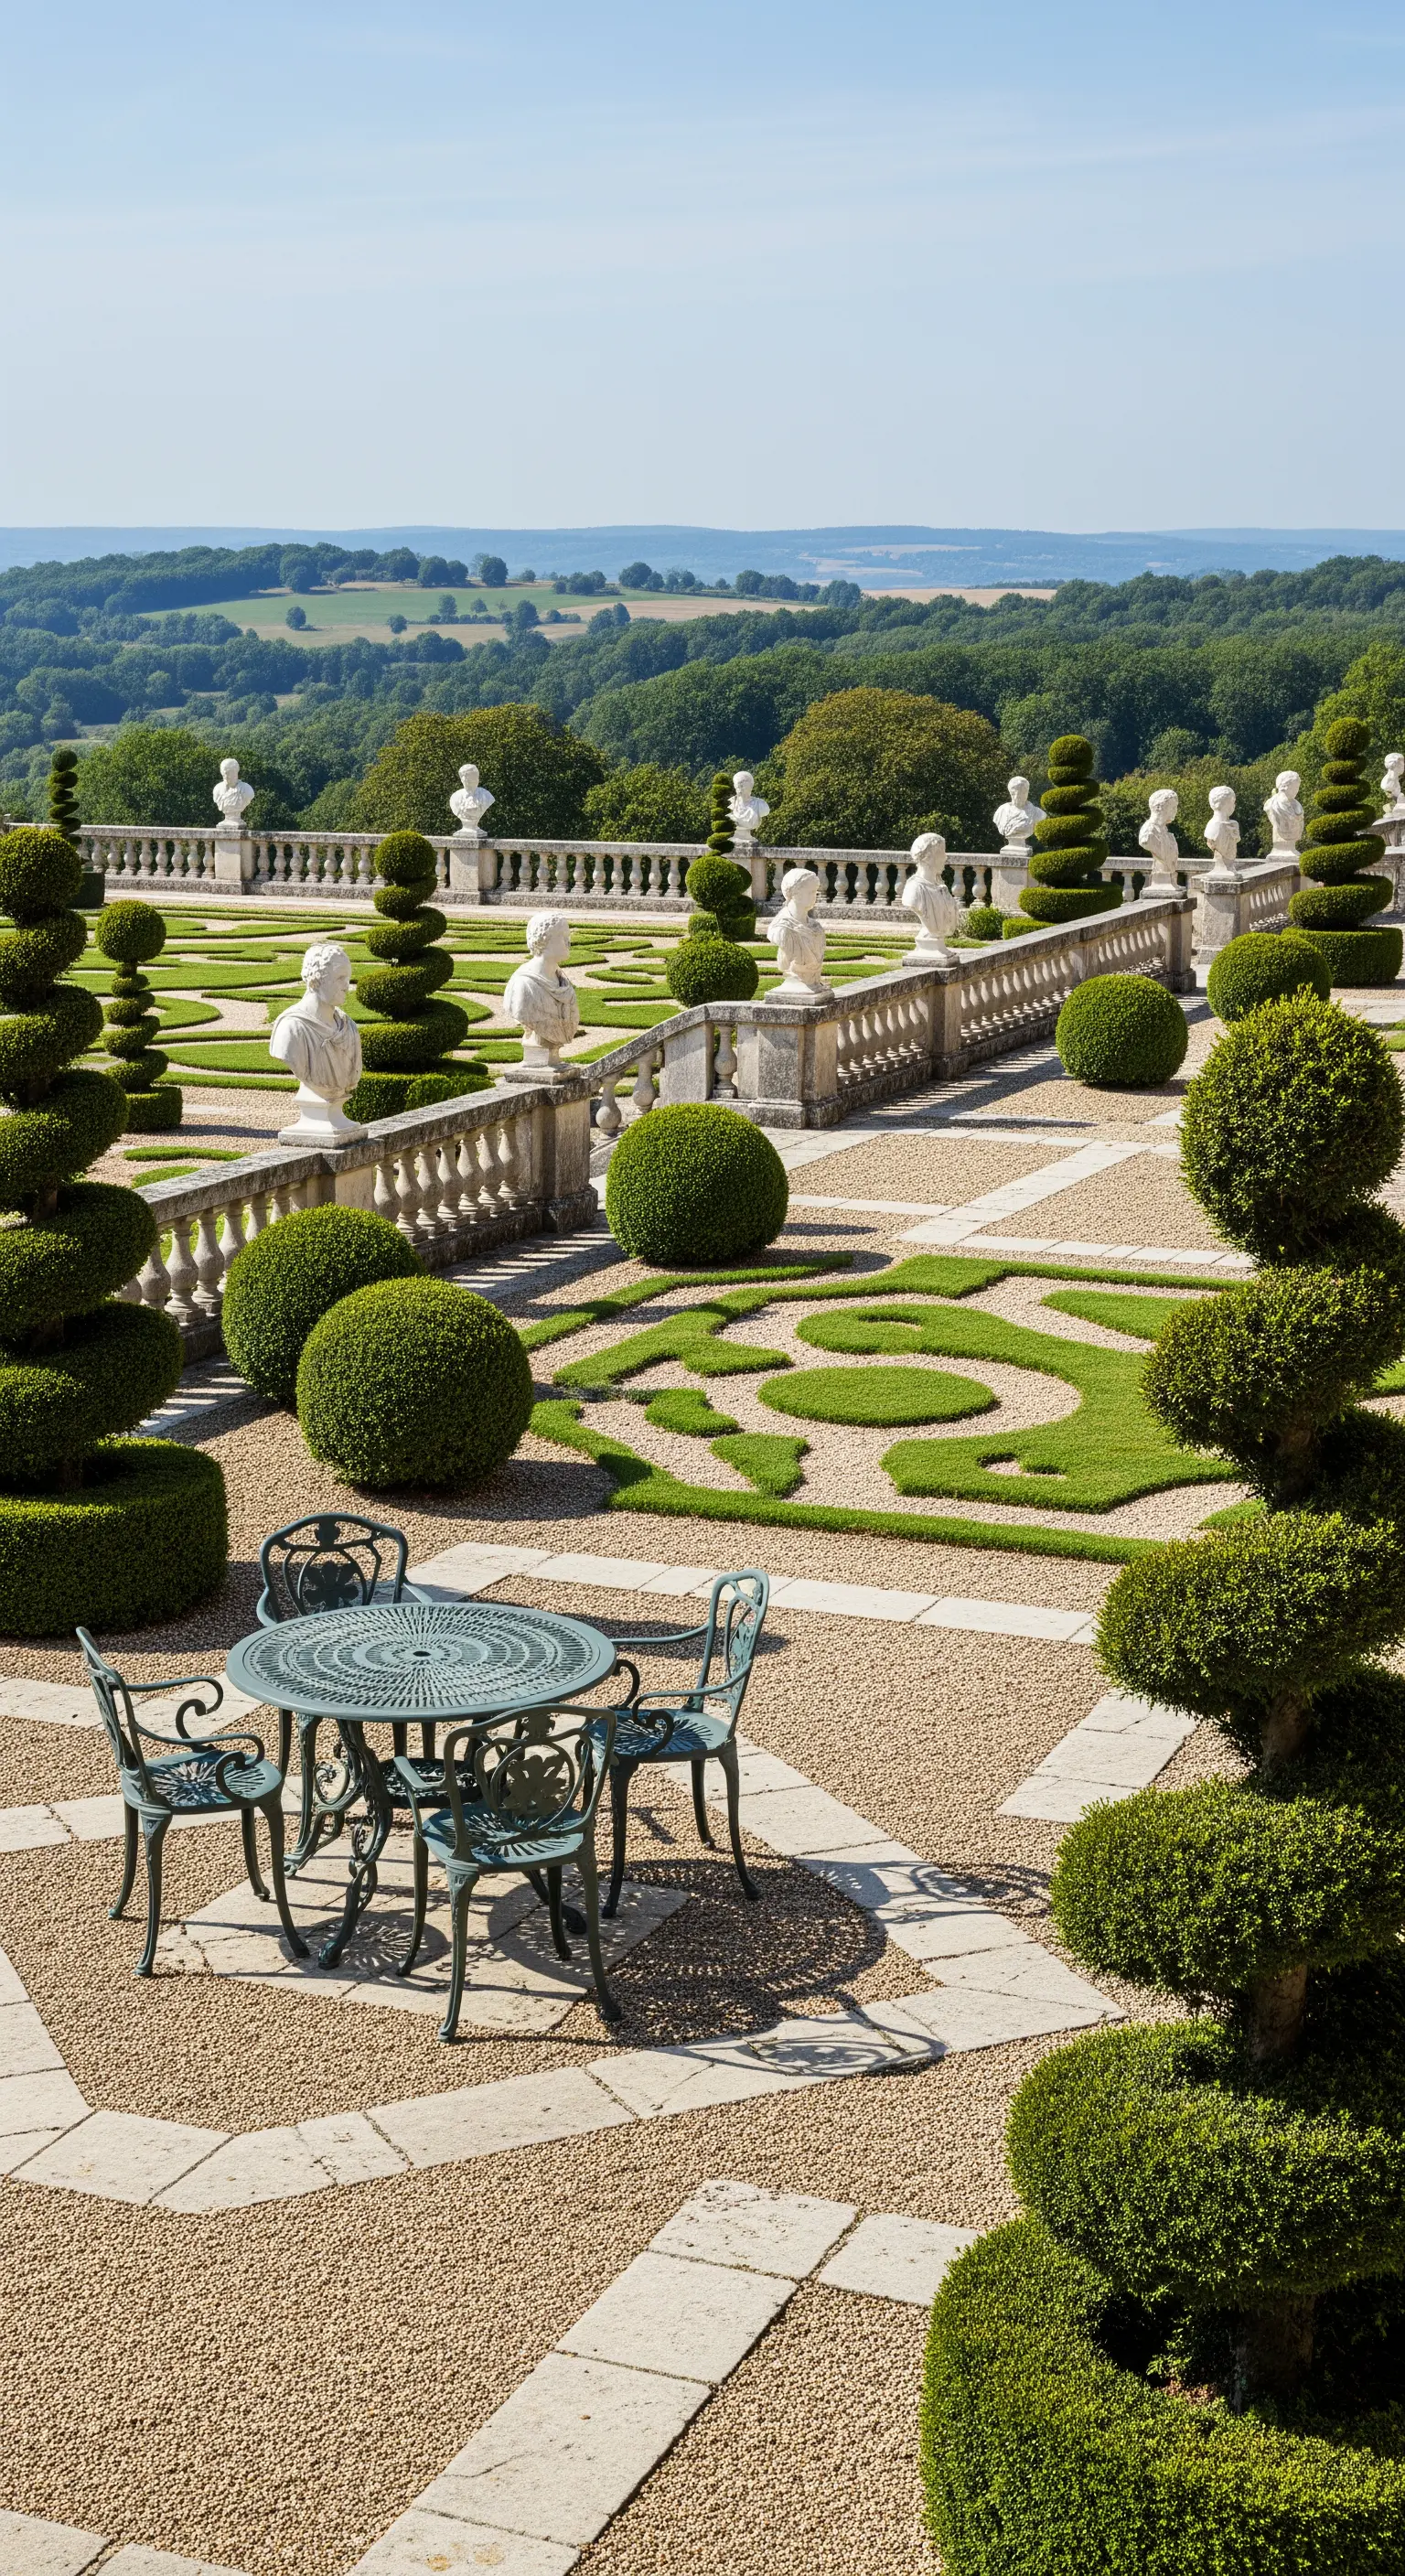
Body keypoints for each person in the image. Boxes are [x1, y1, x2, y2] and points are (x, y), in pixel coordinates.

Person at [270, 943, 365, 1140]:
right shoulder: (292, 1029)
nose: (347, 986)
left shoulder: (349, 1028)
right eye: (340, 978)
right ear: (315, 980)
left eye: (348, 978)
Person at [503, 910, 581, 1068]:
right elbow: (521, 1011)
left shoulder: (562, 981)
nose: (568, 942)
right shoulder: (524, 985)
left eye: (568, 937)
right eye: (563, 937)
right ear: (544, 939)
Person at [767, 867, 829, 995]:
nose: (815, 896)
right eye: (811, 892)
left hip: (813, 987)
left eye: (815, 892)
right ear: (795, 893)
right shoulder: (782, 928)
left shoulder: (816, 928)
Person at [900, 832, 959, 956]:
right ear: (928, 857)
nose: (945, 857)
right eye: (941, 853)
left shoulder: (942, 889)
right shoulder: (915, 889)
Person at [1138, 788, 1180, 882]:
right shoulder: (1148, 833)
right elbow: (1146, 842)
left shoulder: (1166, 833)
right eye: (1173, 807)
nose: (1175, 810)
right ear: (1159, 807)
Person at [992, 775, 1042, 853]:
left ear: (1027, 792)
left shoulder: (1038, 813)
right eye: (1016, 791)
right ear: (1011, 792)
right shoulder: (1001, 811)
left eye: (1024, 791)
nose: (1020, 795)